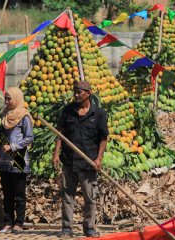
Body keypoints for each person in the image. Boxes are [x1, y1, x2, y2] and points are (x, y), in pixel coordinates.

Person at [52, 81, 108, 238]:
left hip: (88, 163)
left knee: (90, 198)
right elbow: (60, 133)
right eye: (74, 91)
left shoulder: (98, 114)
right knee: (67, 196)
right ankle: (67, 228)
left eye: (79, 92)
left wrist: (99, 158)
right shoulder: (68, 111)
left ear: (88, 93)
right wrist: (56, 153)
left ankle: (89, 227)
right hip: (69, 161)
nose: (76, 95)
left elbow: (103, 138)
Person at [0, 87, 34, 233]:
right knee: (8, 193)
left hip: (18, 158)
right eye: (5, 98)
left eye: (9, 98)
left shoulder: (24, 116)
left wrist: (13, 146)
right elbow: (0, 133)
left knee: (19, 194)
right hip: (5, 159)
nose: (6, 101)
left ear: (16, 98)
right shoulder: (5, 114)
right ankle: (8, 222)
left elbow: (29, 137)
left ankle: (19, 223)